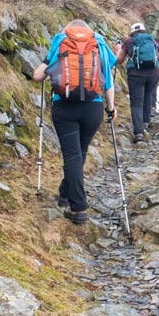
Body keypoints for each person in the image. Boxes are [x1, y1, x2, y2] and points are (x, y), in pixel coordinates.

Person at [32, 19, 117, 224]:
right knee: (79, 153)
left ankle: (78, 207)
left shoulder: (61, 42)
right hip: (93, 107)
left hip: (65, 107)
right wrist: (111, 108)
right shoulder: (99, 45)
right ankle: (65, 193)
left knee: (72, 156)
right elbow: (108, 82)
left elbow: (37, 76)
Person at [116, 22, 159, 143]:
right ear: (144, 31)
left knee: (136, 103)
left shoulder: (129, 41)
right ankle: (146, 122)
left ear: (132, 32)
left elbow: (119, 60)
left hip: (136, 74)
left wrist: (118, 49)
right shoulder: (152, 41)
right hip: (154, 73)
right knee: (148, 95)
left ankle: (139, 132)